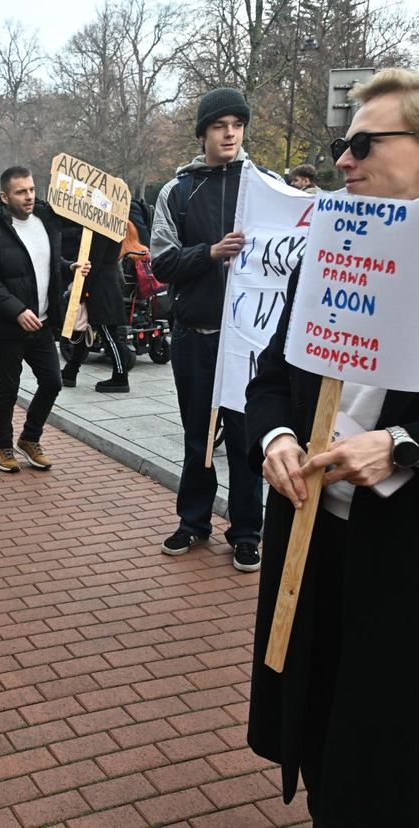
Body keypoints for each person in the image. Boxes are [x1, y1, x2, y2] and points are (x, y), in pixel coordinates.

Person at [246, 67, 419, 825]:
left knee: (383, 750)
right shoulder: (329, 246)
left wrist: (403, 445)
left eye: (363, 143)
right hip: (311, 533)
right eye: (340, 145)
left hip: (401, 555)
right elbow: (271, 374)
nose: (343, 161)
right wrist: (277, 436)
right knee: (315, 721)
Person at [150, 87, 269, 572]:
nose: (229, 133)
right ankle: (193, 521)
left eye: (237, 125)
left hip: (247, 342)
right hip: (195, 335)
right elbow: (161, 261)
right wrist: (211, 253)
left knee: (246, 439)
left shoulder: (265, 185)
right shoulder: (178, 190)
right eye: (219, 126)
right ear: (202, 134)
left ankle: (246, 532)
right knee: (197, 434)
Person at [0, 165, 88, 472]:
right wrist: (17, 310)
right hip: (9, 327)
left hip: (42, 323)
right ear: (5, 196)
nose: (29, 197)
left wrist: (70, 268)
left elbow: (48, 262)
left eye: (31, 189)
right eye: (21, 192)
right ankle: (2, 447)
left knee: (53, 382)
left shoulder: (44, 222)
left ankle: (30, 439)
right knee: (8, 390)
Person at [60, 230, 131, 393]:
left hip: (100, 287)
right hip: (105, 284)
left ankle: (121, 376)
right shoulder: (114, 227)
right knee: (85, 331)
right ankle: (71, 371)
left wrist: (80, 290)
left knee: (108, 333)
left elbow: (93, 263)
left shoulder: (101, 231)